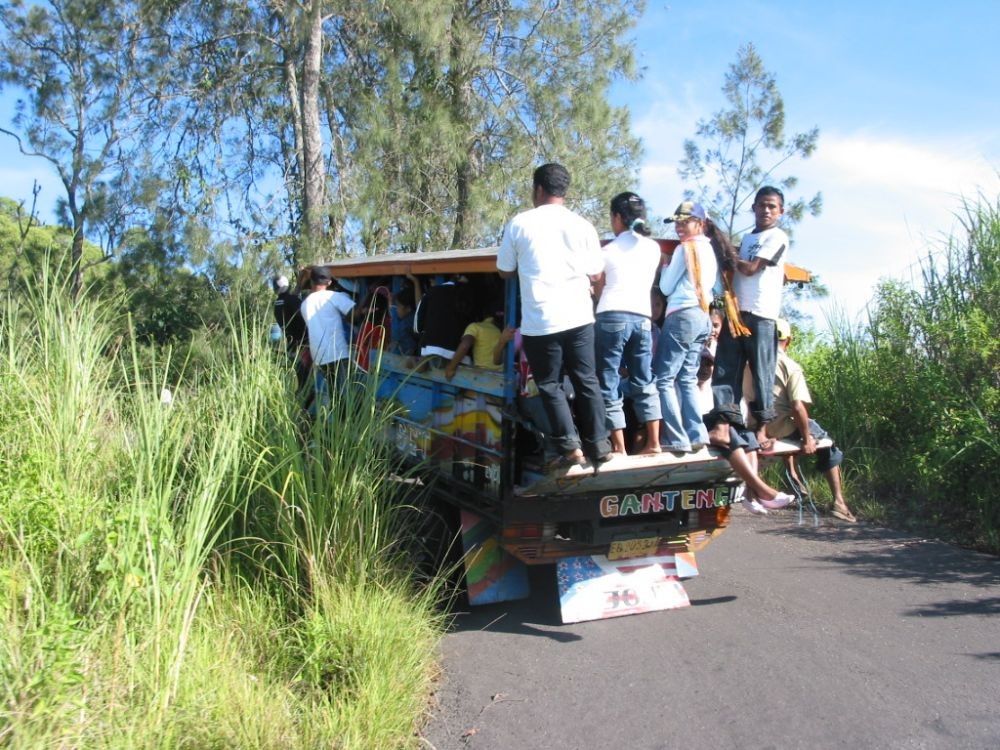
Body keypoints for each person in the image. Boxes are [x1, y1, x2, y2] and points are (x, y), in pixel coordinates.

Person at [496, 162, 612, 469]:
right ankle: (600, 444)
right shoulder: (583, 225)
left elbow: (504, 270)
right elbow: (597, 272)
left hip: (541, 322)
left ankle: (571, 448)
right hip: (579, 318)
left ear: (538, 189)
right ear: (564, 190)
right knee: (586, 380)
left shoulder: (519, 223)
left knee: (549, 385)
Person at [709, 186, 789, 450]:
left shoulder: (777, 237)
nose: (766, 210)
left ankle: (761, 429)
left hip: (762, 315)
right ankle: (723, 425)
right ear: (753, 207)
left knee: (761, 373)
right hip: (736, 313)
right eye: (761, 205)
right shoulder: (747, 239)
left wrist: (720, 239)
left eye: (772, 206)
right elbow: (734, 263)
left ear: (780, 211)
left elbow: (750, 268)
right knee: (725, 368)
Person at [766, 319, 858, 522]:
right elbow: (798, 407)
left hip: (760, 427)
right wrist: (807, 439)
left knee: (795, 424)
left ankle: (793, 478)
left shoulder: (753, 364)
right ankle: (839, 503)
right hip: (781, 426)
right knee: (826, 443)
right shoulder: (790, 366)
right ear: (788, 341)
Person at [594, 192, 663, 455]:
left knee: (609, 381)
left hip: (612, 315)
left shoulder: (607, 251)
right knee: (645, 380)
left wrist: (602, 302)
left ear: (617, 217)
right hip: (643, 319)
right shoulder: (653, 248)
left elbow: (599, 286)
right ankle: (654, 443)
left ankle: (620, 447)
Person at [655, 201, 723, 453]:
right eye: (677, 222)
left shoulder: (685, 248)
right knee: (686, 378)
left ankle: (676, 437)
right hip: (702, 315)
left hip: (681, 314)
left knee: (663, 379)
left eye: (684, 222)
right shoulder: (709, 251)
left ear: (700, 224)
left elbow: (665, 287)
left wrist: (664, 267)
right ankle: (696, 433)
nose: (679, 227)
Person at [300, 266, 357, 404]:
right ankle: (347, 419)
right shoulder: (333, 296)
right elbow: (354, 313)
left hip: (319, 355)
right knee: (347, 391)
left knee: (334, 391)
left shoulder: (305, 303)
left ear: (312, 282)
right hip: (337, 352)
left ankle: (336, 418)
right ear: (330, 282)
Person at [414, 275, 472, 361]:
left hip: (431, 352)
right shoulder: (469, 294)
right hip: (461, 356)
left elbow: (417, 328)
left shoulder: (430, 292)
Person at [272, 274, 311, 397]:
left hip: (291, 345)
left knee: (300, 378)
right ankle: (306, 407)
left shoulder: (277, 304)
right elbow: (304, 314)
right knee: (307, 379)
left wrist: (299, 286)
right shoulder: (292, 301)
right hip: (303, 344)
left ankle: (300, 405)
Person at [445, 309, 503, 380]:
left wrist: (451, 368)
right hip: (501, 376)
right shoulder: (501, 332)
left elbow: (465, 346)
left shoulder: (475, 326)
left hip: (483, 376)